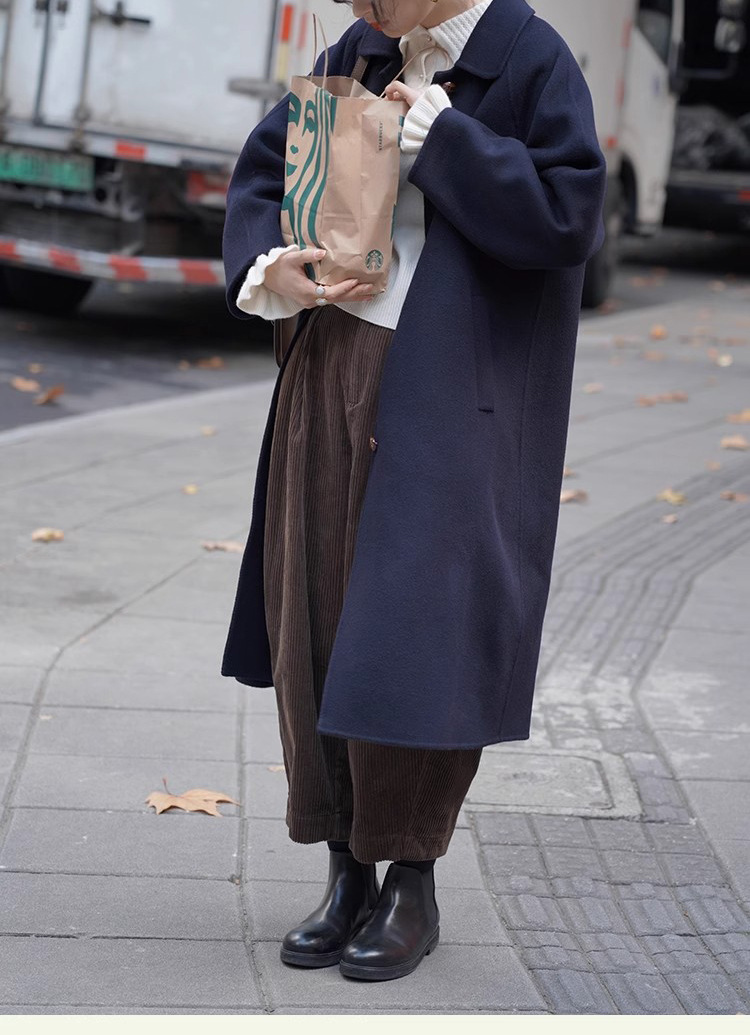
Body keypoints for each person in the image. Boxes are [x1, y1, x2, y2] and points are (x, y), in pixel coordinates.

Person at [220, 0, 607, 982]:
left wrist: (446, 140)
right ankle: (346, 868)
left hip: (453, 391)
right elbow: (267, 173)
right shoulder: (358, 50)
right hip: (329, 363)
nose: (355, 3)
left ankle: (411, 881)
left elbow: (569, 218)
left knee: (421, 633)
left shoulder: (531, 60)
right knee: (316, 617)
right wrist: (273, 262)